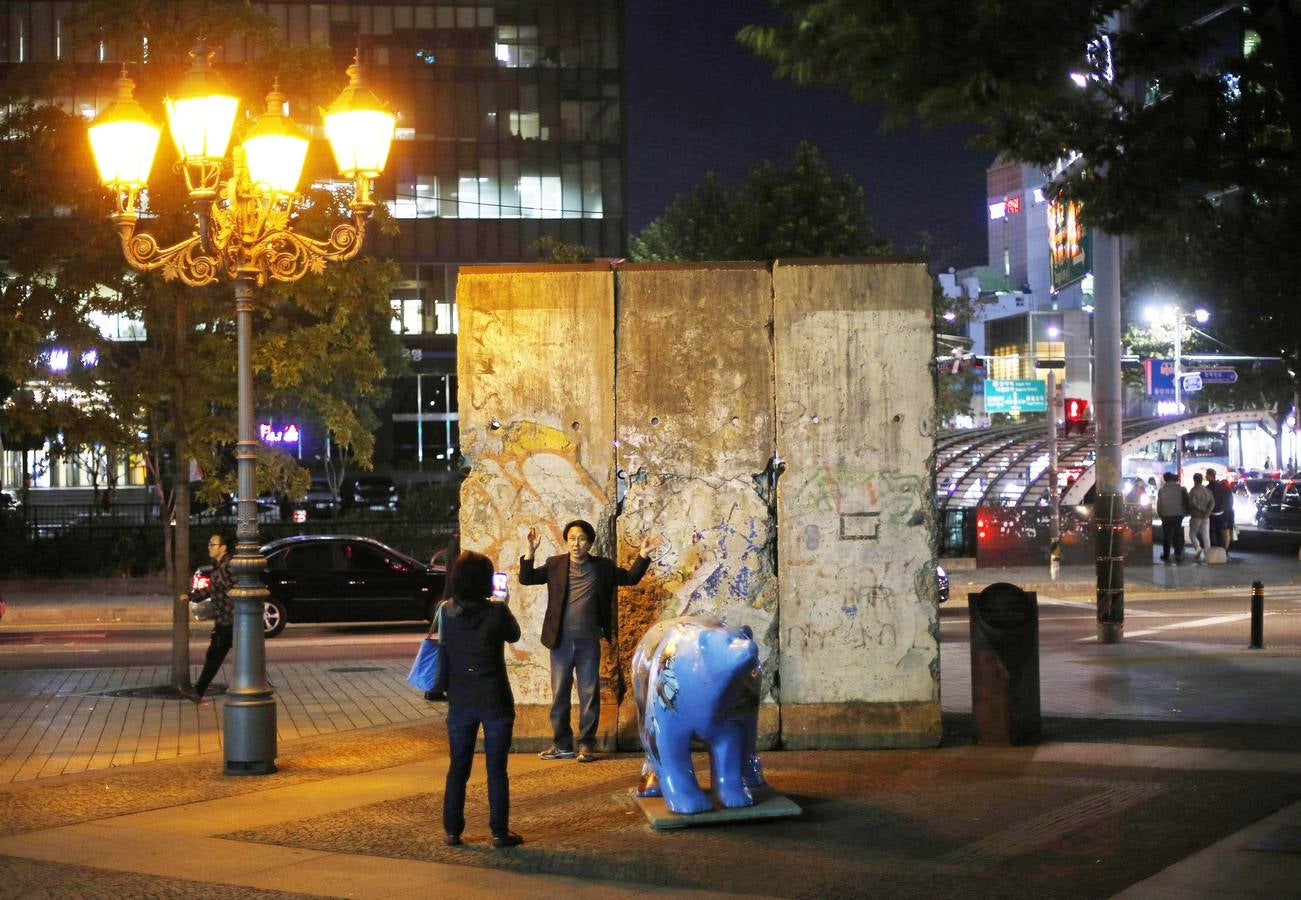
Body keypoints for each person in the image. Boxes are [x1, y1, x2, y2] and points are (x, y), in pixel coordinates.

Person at [520, 520, 661, 763]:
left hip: (588, 641)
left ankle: (586, 744)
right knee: (560, 693)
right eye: (572, 538)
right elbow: (527, 578)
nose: (576, 543)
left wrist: (643, 556)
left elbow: (629, 578)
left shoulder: (602, 567)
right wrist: (531, 551)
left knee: (589, 693)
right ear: (567, 541)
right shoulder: (555, 565)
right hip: (560, 641)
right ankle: (562, 744)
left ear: (590, 542)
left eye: (582, 538)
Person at [439, 550, 523, 849]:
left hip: (460, 699)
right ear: (486, 581)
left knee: (458, 766)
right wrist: (505, 605)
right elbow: (514, 635)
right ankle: (499, 832)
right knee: (496, 769)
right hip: (495, 699)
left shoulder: (446, 611)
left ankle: (452, 830)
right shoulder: (496, 613)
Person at [181, 533, 233, 702]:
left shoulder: (228, 566)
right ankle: (198, 691)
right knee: (215, 655)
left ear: (223, 547)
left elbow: (220, 588)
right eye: (209, 544)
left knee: (215, 655)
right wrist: (191, 596)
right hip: (225, 618)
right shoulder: (219, 566)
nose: (209, 547)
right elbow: (212, 589)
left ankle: (198, 692)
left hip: (230, 620)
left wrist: (192, 596)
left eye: (213, 544)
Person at [1156, 472, 1189, 563]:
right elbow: (1186, 502)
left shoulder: (1161, 490)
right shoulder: (1181, 489)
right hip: (1178, 515)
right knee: (1177, 534)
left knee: (1167, 536)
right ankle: (1178, 554)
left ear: (1164, 479)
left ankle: (1166, 555)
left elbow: (1159, 505)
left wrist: (1160, 514)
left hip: (1166, 515)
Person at [1187, 472, 1215, 561]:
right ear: (1202, 480)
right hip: (1206, 517)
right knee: (1206, 536)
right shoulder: (1207, 490)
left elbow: (1193, 503)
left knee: (1192, 534)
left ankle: (1198, 548)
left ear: (1194, 480)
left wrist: (1201, 509)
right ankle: (1208, 554)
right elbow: (1212, 503)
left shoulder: (1193, 490)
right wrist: (1208, 512)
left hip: (1196, 515)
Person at [1207, 468, 1232, 550]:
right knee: (1220, 533)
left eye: (1207, 475)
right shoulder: (1222, 487)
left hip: (1211, 514)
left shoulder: (1208, 488)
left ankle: (1214, 550)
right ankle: (1223, 551)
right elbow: (1228, 500)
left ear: (1210, 476)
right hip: (1221, 513)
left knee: (1211, 533)